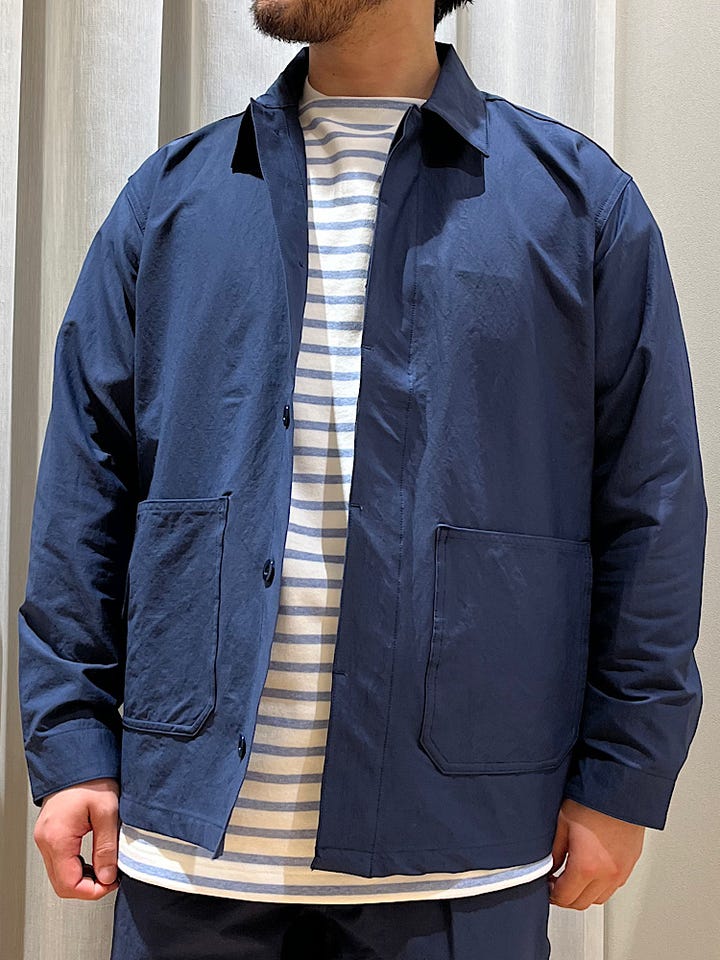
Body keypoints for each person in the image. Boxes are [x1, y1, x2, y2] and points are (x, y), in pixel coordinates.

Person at [18, 0, 708, 957]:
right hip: (188, 858)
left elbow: (651, 509)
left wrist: (622, 776)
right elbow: (82, 497)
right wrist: (71, 748)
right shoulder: (169, 202)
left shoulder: (577, 205)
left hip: (460, 859)